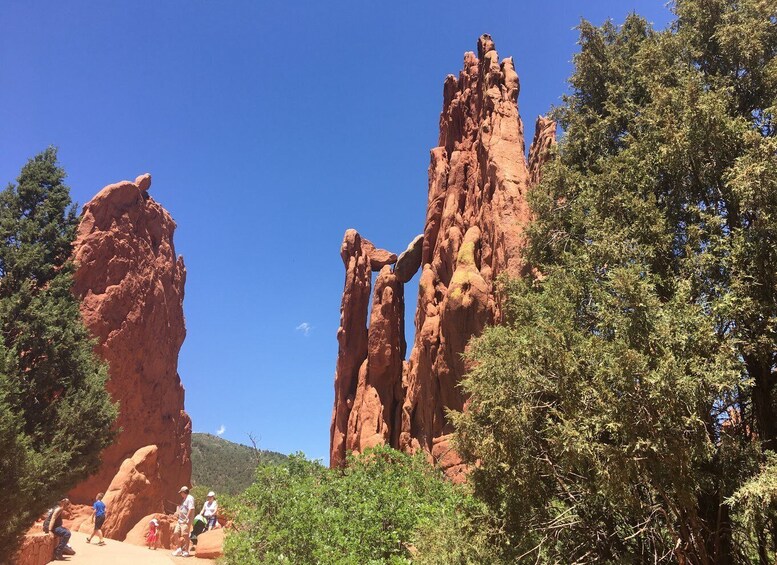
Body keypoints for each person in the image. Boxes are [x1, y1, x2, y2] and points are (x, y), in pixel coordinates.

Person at [171, 486, 195, 557]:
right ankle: (179, 549)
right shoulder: (184, 499)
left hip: (185, 521)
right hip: (180, 520)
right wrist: (177, 513)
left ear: (184, 492)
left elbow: (191, 508)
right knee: (175, 533)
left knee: (185, 535)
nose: (180, 494)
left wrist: (186, 518)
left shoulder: (190, 498)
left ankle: (186, 551)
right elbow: (181, 508)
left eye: (181, 493)